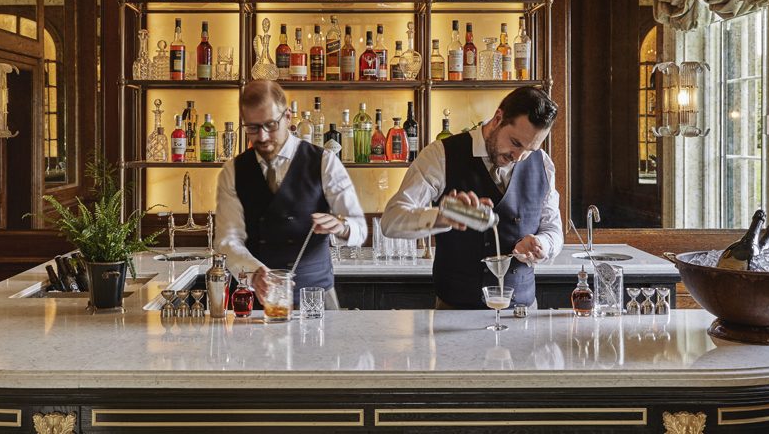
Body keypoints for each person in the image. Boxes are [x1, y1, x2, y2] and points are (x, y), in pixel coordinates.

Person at [380, 86, 562, 309]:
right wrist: (443, 217)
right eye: (515, 143)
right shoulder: (441, 155)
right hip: (454, 315)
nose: (518, 157)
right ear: (498, 118)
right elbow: (391, 221)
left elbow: (553, 230)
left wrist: (541, 244)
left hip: (523, 315)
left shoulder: (543, 163)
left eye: (530, 149)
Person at [216, 80, 366, 309]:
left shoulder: (324, 161)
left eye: (270, 125)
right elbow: (227, 240)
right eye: (253, 128)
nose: (263, 137)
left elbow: (359, 227)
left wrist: (340, 226)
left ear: (287, 117)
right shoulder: (233, 171)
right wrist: (254, 272)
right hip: (258, 301)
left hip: (316, 298)